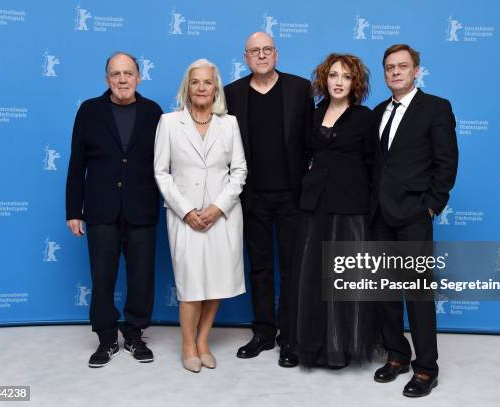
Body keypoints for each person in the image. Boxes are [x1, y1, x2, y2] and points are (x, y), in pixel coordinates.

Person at [369, 44, 458, 397]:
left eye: (402, 66)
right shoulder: (377, 112)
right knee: (384, 292)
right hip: (379, 215)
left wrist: (431, 206)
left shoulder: (436, 108)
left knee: (418, 294)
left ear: (416, 70)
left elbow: (447, 162)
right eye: (389, 67)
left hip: (414, 215)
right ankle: (397, 355)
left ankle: (426, 368)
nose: (395, 72)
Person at [65, 52, 163, 368]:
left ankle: (134, 335)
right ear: (107, 79)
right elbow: (76, 163)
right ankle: (107, 339)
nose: (122, 79)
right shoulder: (89, 111)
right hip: (100, 210)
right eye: (115, 74)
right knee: (103, 277)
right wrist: (73, 211)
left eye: (128, 73)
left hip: (142, 209)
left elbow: (165, 165)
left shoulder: (154, 112)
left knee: (142, 277)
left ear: (139, 77)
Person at [224, 32, 313, 368]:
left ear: (276, 54)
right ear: (246, 57)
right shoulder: (232, 93)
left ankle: (289, 338)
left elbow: (309, 142)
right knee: (260, 268)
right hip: (251, 196)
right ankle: (263, 332)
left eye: (267, 50)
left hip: (292, 195)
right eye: (254, 51)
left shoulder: (300, 89)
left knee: (292, 269)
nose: (261, 55)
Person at [154, 59, 247, 373]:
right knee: (191, 284)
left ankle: (204, 340)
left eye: (208, 82)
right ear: (187, 87)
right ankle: (187, 344)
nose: (202, 87)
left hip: (223, 216)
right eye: (196, 82)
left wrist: (217, 208)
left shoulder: (229, 123)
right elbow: (161, 173)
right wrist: (188, 211)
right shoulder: (169, 122)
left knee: (216, 281)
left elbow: (239, 172)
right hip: (185, 217)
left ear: (215, 87)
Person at [291, 53, 379, 368]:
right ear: (324, 80)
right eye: (333, 75)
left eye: (345, 76)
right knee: (312, 278)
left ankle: (342, 348)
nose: (338, 82)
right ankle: (314, 347)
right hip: (315, 206)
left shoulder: (365, 117)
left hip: (350, 207)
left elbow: (374, 166)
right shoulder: (314, 114)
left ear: (355, 83)